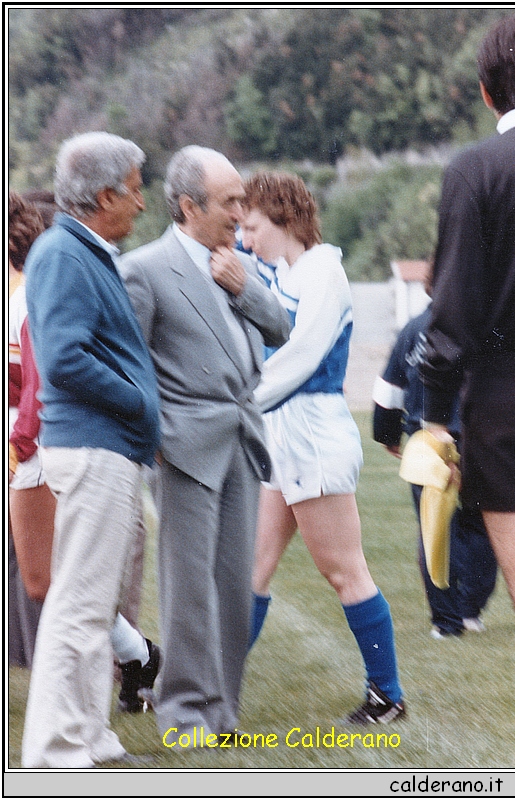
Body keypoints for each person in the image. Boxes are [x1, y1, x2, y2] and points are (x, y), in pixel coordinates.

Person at [418, 12, 515, 759]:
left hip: (510, 406)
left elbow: (453, 314)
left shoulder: (475, 170)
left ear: (485, 92)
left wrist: (431, 418)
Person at [119, 145, 291, 742]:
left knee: (233, 586)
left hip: (241, 440)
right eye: (230, 202)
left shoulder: (234, 261)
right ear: (189, 206)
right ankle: (186, 713)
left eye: (243, 200)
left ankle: (223, 712)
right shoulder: (144, 268)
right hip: (184, 449)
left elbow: (281, 328)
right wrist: (155, 438)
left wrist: (245, 287)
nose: (243, 214)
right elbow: (129, 363)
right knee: (190, 590)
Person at [240, 171, 405, 725]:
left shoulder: (324, 272)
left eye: (253, 226)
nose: (245, 238)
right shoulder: (286, 269)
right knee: (254, 568)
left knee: (344, 571)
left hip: (312, 432)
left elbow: (305, 354)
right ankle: (215, 690)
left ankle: (387, 694)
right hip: (284, 435)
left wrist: (240, 407)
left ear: (283, 219)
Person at [21, 131, 161, 768]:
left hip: (100, 448)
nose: (141, 202)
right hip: (92, 447)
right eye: (134, 190)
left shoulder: (80, 250)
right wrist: (139, 400)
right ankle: (57, 750)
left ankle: (88, 738)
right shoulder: (62, 252)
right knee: (80, 609)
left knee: (91, 604)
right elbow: (66, 359)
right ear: (104, 195)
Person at [372, 302, 497, 639]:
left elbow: (388, 390)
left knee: (434, 530)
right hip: (476, 440)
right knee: (481, 526)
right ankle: (470, 609)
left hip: (427, 443)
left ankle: (446, 621)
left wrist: (386, 434)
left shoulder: (412, 329)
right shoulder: (483, 324)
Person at [8, 191, 52, 668]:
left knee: (43, 579)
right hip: (25, 447)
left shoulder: (24, 296)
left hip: (31, 452)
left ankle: (134, 655)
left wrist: (17, 449)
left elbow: (33, 388)